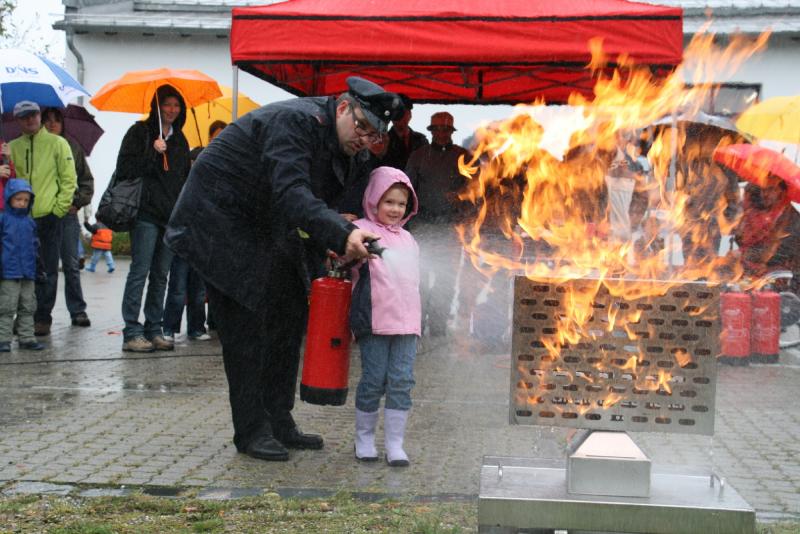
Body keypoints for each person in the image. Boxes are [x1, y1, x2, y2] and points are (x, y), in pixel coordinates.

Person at [164, 76, 400, 462]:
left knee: (289, 319)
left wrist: (334, 239)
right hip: (219, 223)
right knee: (246, 330)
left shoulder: (351, 152)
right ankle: (251, 430)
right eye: (361, 127)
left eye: (374, 135)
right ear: (343, 108)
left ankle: (279, 420)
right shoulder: (295, 123)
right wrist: (341, 234)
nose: (365, 139)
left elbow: (322, 205)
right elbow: (292, 193)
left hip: (268, 226)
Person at [349, 166, 420, 466]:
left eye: (401, 204)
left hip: (407, 324)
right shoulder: (361, 231)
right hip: (375, 322)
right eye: (389, 201)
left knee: (402, 381)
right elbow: (345, 257)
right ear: (374, 199)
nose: (395, 209)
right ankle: (364, 439)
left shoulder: (409, 239)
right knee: (374, 380)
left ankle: (394, 444)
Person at [118, 85, 191, 353]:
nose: (172, 110)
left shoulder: (181, 140)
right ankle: (131, 331)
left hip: (169, 218)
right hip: (145, 215)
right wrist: (153, 152)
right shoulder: (140, 132)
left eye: (176, 105)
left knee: (161, 275)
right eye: (167, 105)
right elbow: (124, 169)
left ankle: (154, 328)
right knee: (140, 272)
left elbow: (183, 180)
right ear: (157, 107)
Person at [8, 101, 77, 337]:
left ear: (39, 116)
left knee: (47, 269)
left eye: (34, 115)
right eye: (24, 117)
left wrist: (58, 209)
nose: (30, 120)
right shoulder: (13, 147)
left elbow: (69, 180)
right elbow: (9, 182)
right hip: (19, 218)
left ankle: (42, 317)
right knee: (20, 269)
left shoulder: (59, 143)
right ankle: (24, 316)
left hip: (48, 215)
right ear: (17, 120)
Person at [405, 111, 470, 336]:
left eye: (446, 130)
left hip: (451, 229)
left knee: (447, 279)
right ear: (431, 132)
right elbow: (407, 188)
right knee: (419, 279)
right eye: (437, 130)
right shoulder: (418, 156)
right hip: (422, 225)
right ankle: (417, 324)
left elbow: (478, 188)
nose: (441, 134)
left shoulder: (464, 157)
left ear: (452, 132)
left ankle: (439, 327)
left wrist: (461, 195)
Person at [162, 121, 228, 343]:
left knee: (199, 289)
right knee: (178, 286)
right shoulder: (189, 167)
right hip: (185, 237)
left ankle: (196, 327)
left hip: (205, 238)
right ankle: (169, 327)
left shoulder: (222, 170)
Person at [42, 107, 94, 328]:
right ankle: (42, 314)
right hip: (44, 214)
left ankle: (78, 310)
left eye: (56, 120)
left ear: (63, 124)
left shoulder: (73, 148)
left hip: (68, 216)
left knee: (71, 264)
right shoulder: (37, 148)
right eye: (47, 120)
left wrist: (76, 202)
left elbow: (86, 182)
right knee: (47, 267)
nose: (52, 124)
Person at [0, 179, 45, 352]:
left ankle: (26, 338)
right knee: (6, 307)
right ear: (9, 198)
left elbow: (35, 246)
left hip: (28, 272)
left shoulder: (29, 222)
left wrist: (38, 268)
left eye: (26, 200)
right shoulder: (3, 220)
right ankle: (3, 338)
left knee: (28, 306)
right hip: (8, 272)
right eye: (18, 199)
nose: (22, 203)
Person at [381, 94, 428, 170]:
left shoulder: (421, 140)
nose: (399, 117)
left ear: (410, 115)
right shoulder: (382, 140)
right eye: (396, 113)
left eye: (403, 113)